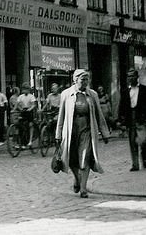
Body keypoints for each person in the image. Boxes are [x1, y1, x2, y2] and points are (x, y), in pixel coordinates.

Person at [55, 69, 110, 199]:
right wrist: (58, 134)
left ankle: (83, 188)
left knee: (85, 157)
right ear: (75, 80)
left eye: (87, 79)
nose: (85, 82)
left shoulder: (93, 95)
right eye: (82, 80)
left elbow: (99, 115)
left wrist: (105, 133)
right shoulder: (66, 94)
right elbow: (61, 116)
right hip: (71, 131)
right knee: (72, 158)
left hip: (87, 130)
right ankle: (77, 179)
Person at [118, 67, 146, 171]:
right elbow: (122, 105)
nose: (130, 78)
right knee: (132, 141)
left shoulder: (145, 89)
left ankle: (144, 154)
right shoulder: (125, 91)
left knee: (143, 140)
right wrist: (120, 119)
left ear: (137, 77)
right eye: (129, 76)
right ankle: (135, 165)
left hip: (142, 118)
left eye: (132, 76)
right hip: (130, 118)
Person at [13, 82, 37, 147]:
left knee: (30, 125)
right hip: (23, 111)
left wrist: (30, 108)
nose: (25, 91)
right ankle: (21, 141)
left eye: (26, 89)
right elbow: (17, 104)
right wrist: (14, 109)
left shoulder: (31, 96)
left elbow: (33, 104)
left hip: (29, 111)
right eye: (24, 89)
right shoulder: (21, 96)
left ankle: (30, 140)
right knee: (20, 125)